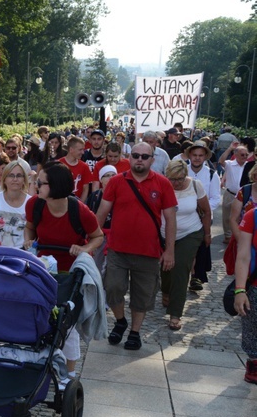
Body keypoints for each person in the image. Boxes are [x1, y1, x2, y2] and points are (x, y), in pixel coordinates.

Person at [23, 161, 104, 380]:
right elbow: (30, 227)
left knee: (66, 325)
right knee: (37, 316)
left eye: (40, 182)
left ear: (56, 186)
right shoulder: (34, 204)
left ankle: (68, 373)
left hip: (69, 275)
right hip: (42, 270)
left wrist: (83, 249)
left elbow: (98, 237)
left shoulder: (79, 210)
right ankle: (37, 360)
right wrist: (29, 242)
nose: (35, 185)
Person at [95, 143, 177, 350]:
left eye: (144, 156)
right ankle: (120, 321)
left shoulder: (163, 184)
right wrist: (92, 242)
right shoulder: (115, 182)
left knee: (142, 295)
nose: (139, 159)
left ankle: (135, 332)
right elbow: (102, 213)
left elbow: (171, 219)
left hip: (148, 252)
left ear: (152, 160)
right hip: (117, 249)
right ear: (129, 158)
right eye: (135, 155)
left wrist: (169, 250)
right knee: (112, 288)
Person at [160, 159, 210, 331]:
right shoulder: (161, 185)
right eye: (172, 179)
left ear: (185, 176)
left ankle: (175, 314)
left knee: (180, 268)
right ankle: (165, 290)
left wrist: (208, 233)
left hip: (190, 233)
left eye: (179, 179)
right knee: (165, 269)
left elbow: (206, 210)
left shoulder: (196, 186)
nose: (176, 183)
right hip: (164, 234)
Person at [185, 140, 221, 292]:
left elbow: (215, 197)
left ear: (205, 157)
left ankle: (195, 276)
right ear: (190, 156)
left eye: (200, 155)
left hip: (203, 216)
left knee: (200, 246)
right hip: (185, 215)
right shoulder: (182, 171)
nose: (197, 158)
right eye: (194, 155)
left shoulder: (212, 175)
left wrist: (203, 209)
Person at [0, 160, 31, 249]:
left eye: (19, 176)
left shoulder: (30, 202)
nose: (15, 179)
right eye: (11, 175)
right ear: (4, 179)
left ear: (24, 179)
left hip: (21, 256)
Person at [233, 207, 257, 384]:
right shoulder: (252, 216)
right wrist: (240, 290)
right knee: (251, 328)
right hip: (255, 286)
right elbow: (243, 256)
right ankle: (254, 364)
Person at [220, 142, 249, 244]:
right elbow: (221, 160)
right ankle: (227, 235)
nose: (244, 157)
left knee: (241, 216)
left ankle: (238, 235)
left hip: (243, 195)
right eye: (242, 154)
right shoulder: (229, 164)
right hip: (230, 193)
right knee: (227, 216)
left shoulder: (248, 166)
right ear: (236, 154)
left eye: (246, 155)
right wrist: (229, 148)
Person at [59, 136, 92, 203]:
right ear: (71, 149)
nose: (83, 152)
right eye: (80, 150)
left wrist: (80, 205)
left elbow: (85, 188)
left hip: (77, 204)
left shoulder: (84, 166)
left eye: (83, 150)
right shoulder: (58, 164)